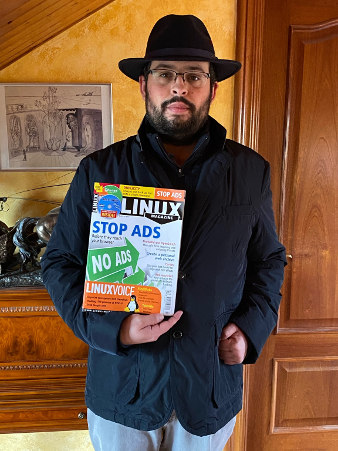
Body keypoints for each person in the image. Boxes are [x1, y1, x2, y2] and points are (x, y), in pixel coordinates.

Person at [41, 14, 286, 451]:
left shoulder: (251, 172)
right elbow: (59, 264)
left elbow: (268, 260)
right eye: (165, 74)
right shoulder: (99, 171)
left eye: (194, 75)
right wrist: (114, 330)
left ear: (212, 87)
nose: (179, 86)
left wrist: (251, 329)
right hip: (122, 391)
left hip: (208, 391)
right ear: (143, 84)